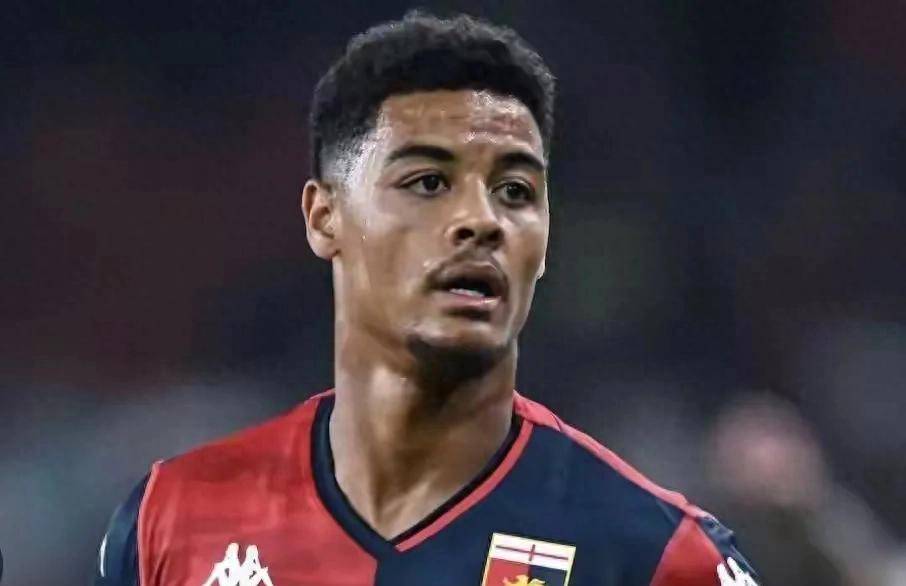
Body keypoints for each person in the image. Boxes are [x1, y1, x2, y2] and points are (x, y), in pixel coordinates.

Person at [95, 11, 758, 586]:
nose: (482, 221)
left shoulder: (657, 554)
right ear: (325, 218)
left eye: (516, 192)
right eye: (428, 182)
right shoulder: (171, 520)